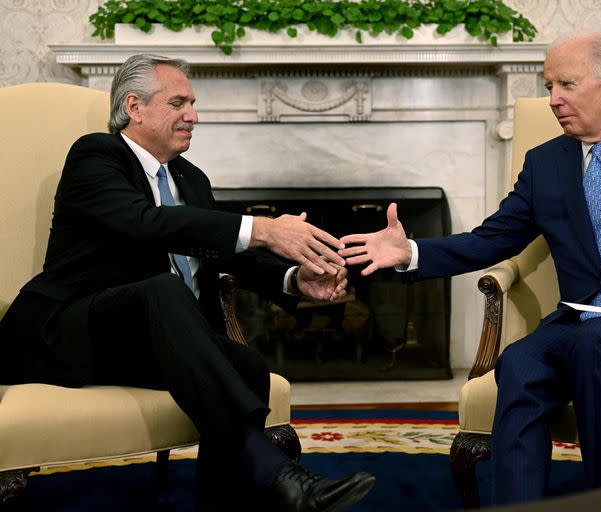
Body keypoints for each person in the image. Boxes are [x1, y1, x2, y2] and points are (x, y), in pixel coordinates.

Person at [338, 32, 601, 505]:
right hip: (579, 320)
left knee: (597, 347)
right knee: (520, 360)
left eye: (565, 84)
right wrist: (411, 252)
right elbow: (493, 238)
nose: (553, 100)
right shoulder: (545, 162)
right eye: (548, 87)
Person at [0, 54, 374, 511]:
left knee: (250, 366)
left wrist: (296, 279)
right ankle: (276, 472)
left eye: (193, 103)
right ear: (135, 107)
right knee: (162, 289)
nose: (193, 115)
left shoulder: (191, 180)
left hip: (152, 341)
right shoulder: (96, 155)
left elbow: (221, 248)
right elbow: (143, 223)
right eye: (178, 102)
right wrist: (264, 228)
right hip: (68, 331)